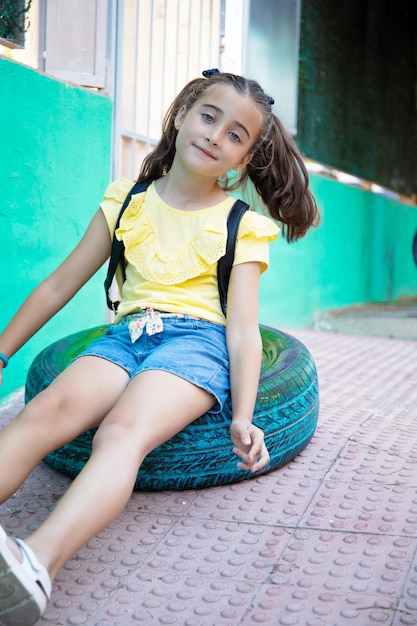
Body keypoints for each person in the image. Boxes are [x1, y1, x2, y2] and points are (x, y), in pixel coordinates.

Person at [0, 68, 319, 625]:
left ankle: (35, 564)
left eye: (236, 135)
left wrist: (243, 416)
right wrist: (2, 350)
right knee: (49, 407)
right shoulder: (127, 202)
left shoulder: (240, 225)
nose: (216, 135)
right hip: (126, 336)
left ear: (242, 162)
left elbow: (243, 331)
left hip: (196, 347)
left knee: (122, 432)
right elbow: (59, 284)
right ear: (181, 116)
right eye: (209, 116)